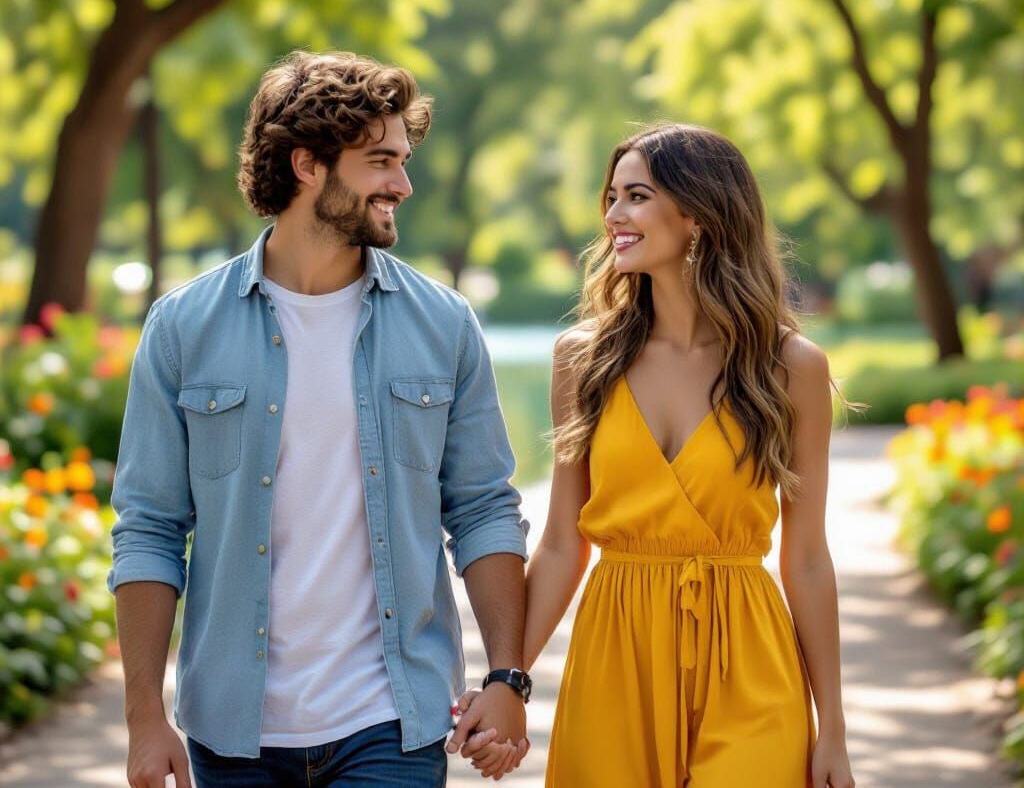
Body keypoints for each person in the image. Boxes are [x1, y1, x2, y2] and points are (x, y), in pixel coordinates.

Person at [108, 50, 530, 788]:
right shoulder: (183, 328)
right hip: (233, 730)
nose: (402, 183)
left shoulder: (443, 324)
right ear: (308, 165)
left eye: (402, 159)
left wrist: (507, 677)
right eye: (380, 162)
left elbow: (485, 508)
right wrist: (146, 716)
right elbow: (148, 526)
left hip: (391, 723)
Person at [454, 122, 856, 786]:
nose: (614, 215)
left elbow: (808, 558)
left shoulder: (789, 367)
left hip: (749, 658)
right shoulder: (581, 359)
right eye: (610, 197)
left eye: (635, 196)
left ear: (697, 213)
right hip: (617, 652)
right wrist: (507, 682)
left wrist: (833, 731)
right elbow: (560, 543)